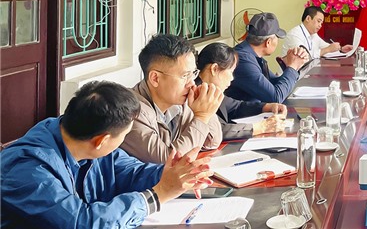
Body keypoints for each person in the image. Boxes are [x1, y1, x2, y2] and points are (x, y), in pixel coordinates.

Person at [1, 81, 213, 228]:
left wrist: (174, 175)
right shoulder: (27, 170)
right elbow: (82, 223)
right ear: (101, 141)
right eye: (125, 135)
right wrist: (158, 195)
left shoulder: (84, 137)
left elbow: (131, 172)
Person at [122, 34, 224, 164]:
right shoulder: (131, 111)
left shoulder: (181, 101)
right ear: (155, 78)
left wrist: (206, 108)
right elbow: (168, 162)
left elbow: (211, 142)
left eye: (193, 73)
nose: (192, 83)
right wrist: (202, 117)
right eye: (185, 75)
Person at [197, 42, 288, 140]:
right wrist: (260, 127)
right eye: (230, 72)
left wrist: (266, 107)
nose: (232, 78)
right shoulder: (195, 93)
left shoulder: (211, 89)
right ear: (214, 69)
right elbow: (217, 131)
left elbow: (236, 107)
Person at [226, 12, 309, 103]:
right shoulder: (243, 60)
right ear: (268, 42)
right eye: (277, 37)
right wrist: (292, 67)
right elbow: (275, 97)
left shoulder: (251, 55)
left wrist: (289, 65)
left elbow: (273, 83)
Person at [283, 6, 354, 59]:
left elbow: (324, 46)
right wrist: (328, 49)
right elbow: (303, 57)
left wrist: (341, 48)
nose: (320, 25)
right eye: (318, 21)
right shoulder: (295, 35)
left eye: (321, 23)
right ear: (308, 18)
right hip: (293, 74)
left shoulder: (313, 34)